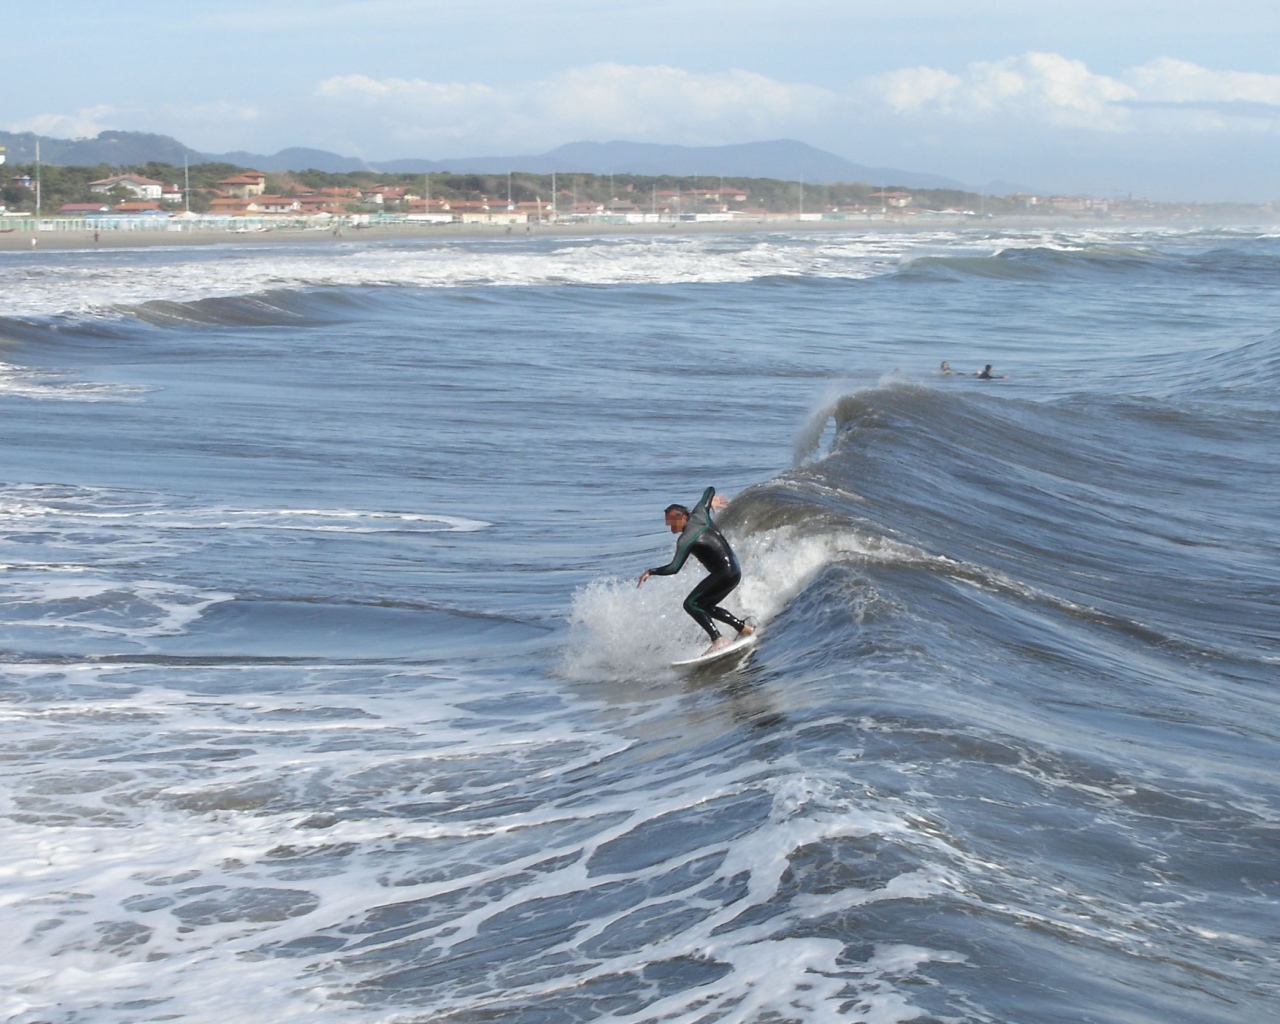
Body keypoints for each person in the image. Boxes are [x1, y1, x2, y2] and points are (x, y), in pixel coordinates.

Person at [637, 486, 753, 655]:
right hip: (735, 571)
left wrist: (651, 571)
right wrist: (711, 501)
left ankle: (718, 639)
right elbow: (709, 490)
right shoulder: (700, 513)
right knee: (706, 606)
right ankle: (743, 628)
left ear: (682, 517)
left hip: (723, 574)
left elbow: (674, 568)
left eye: (671, 522)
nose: (670, 527)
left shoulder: (686, 539)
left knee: (691, 604)